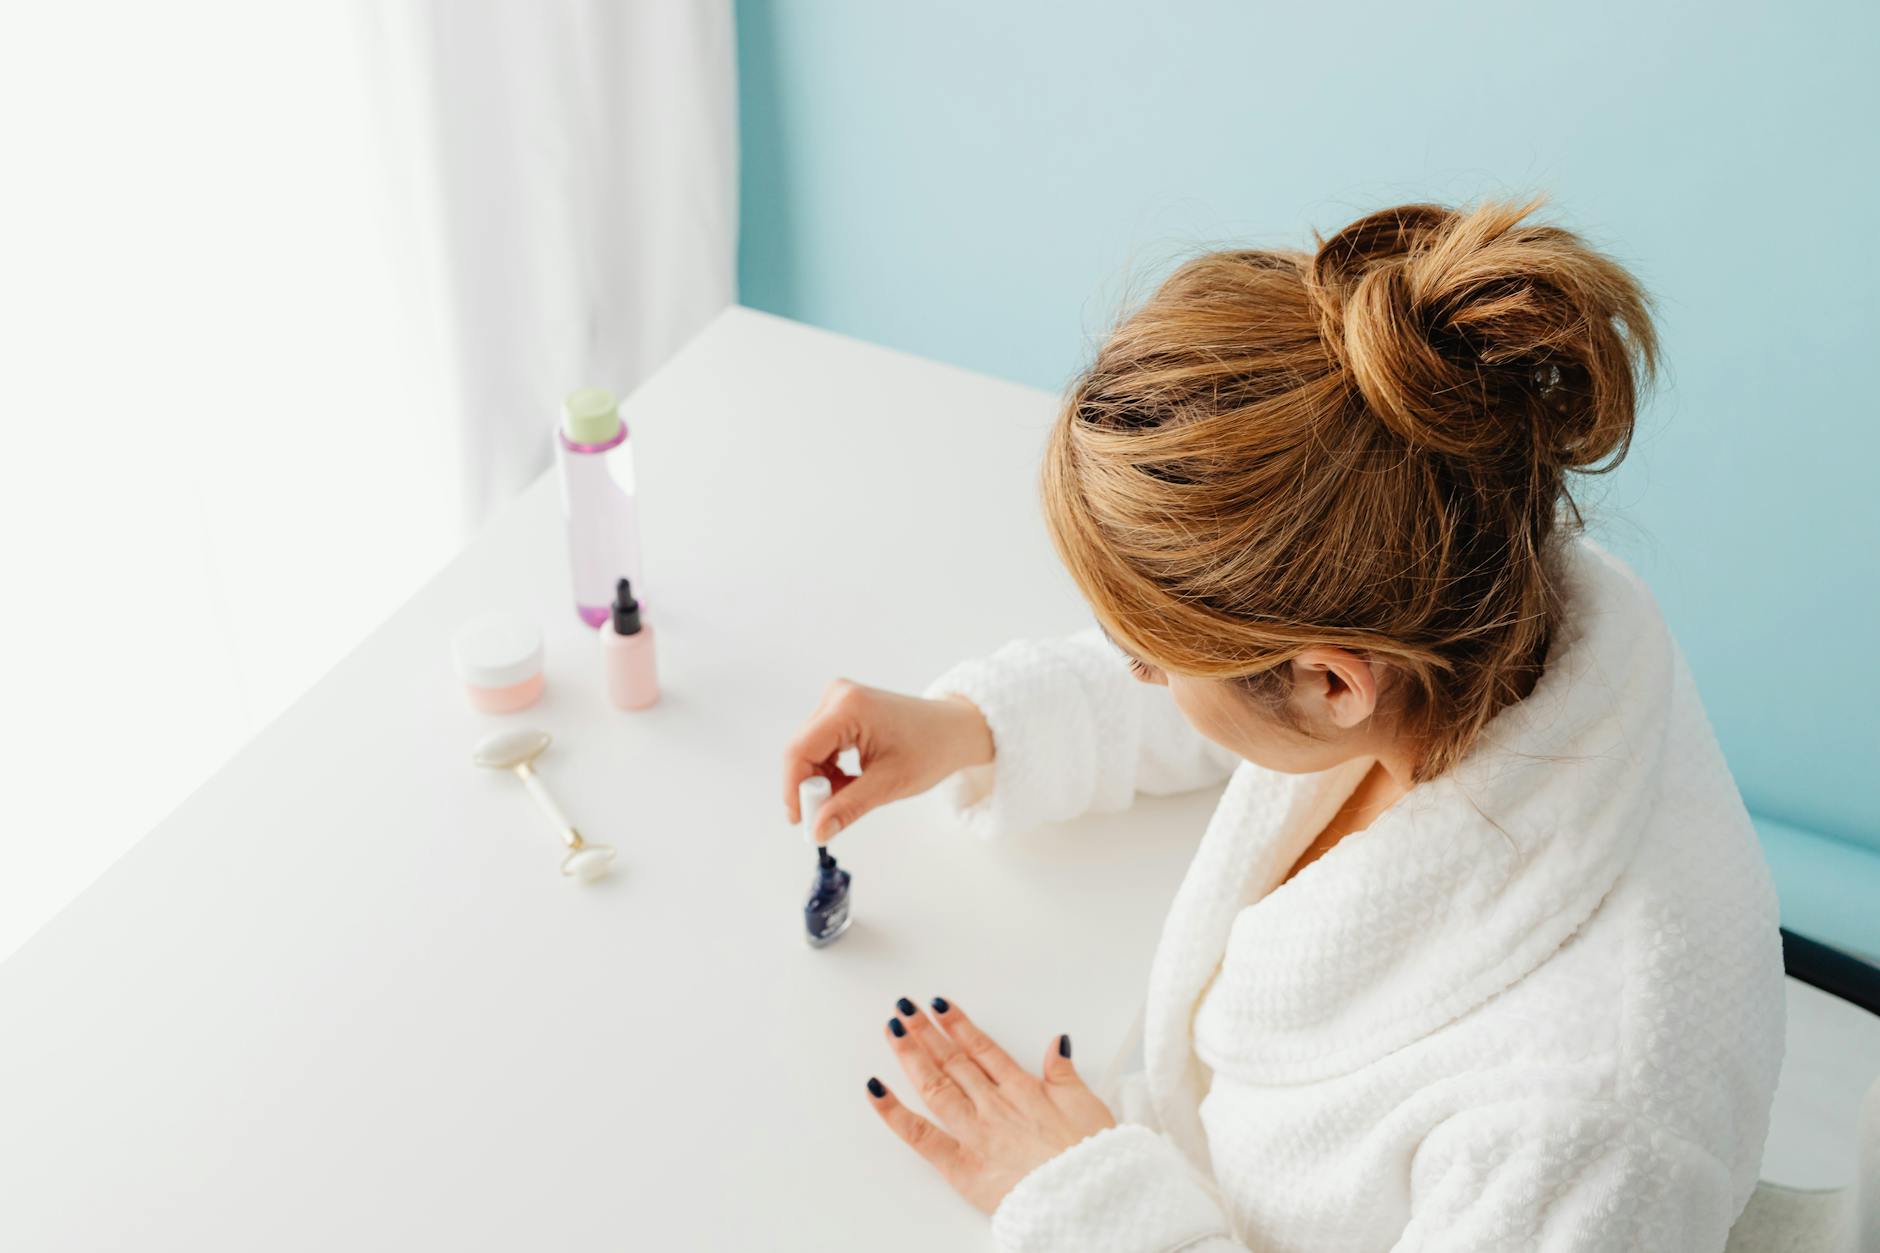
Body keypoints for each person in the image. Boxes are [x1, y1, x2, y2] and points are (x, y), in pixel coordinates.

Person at [779, 198, 1785, 1251]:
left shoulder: (1584, 1131)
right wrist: (971, 725)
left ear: (1332, 683)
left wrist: (1088, 1200)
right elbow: (1246, 683)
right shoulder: (1475, 590)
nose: (1136, 673)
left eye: (1148, 656)